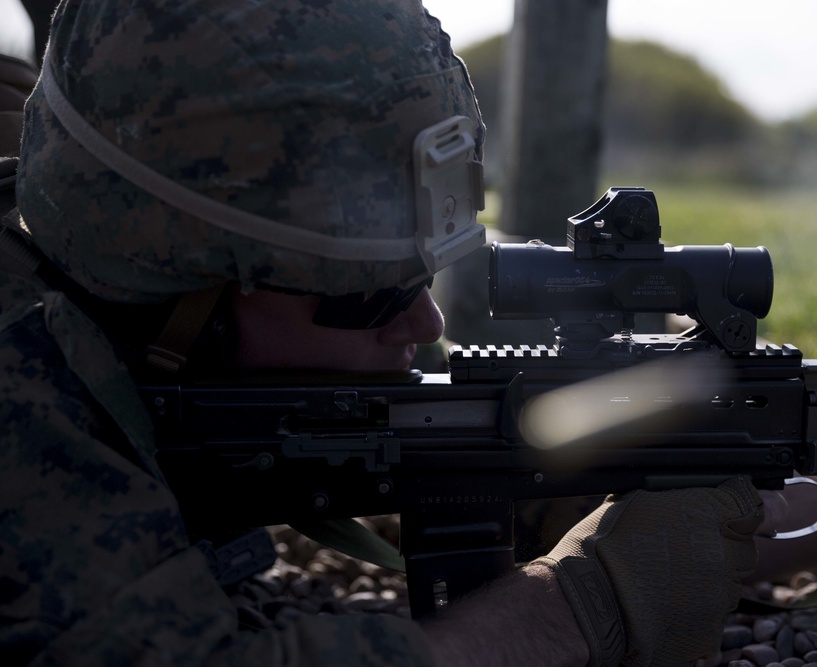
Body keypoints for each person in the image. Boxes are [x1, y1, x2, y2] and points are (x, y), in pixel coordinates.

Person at [0, 1, 764, 665]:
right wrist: (578, 606)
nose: (424, 322)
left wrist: (609, 466)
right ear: (188, 290)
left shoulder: (132, 247)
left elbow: (430, 421)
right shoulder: (22, 396)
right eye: (365, 298)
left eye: (421, 277)